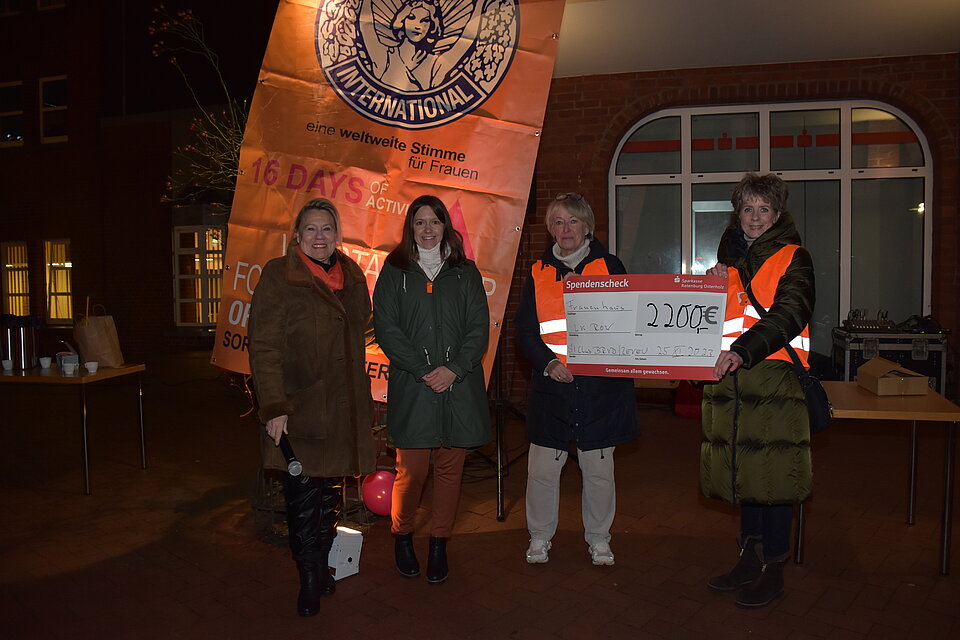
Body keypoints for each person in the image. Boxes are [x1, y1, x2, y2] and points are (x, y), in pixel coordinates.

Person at [248, 198, 377, 617]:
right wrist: (274, 405)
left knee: (329, 498)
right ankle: (307, 579)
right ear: (297, 235)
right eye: (311, 229)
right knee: (303, 499)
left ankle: (322, 566)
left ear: (337, 234)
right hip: (300, 410)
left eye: (326, 229)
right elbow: (264, 346)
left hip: (343, 410)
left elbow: (365, 330)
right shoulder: (279, 275)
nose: (319, 237)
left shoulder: (352, 275)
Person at [701, 173, 815, 609]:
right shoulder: (727, 260)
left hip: (775, 381)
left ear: (778, 213)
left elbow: (790, 313)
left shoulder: (794, 257)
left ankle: (774, 568)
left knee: (776, 477)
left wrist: (743, 351)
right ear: (738, 213)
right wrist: (710, 287)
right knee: (745, 472)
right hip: (733, 383)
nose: (754, 217)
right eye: (747, 208)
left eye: (764, 209)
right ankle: (749, 557)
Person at [515, 193, 639, 566]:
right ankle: (539, 537)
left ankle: (599, 539)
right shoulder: (538, 271)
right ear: (550, 229)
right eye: (558, 221)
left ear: (587, 226)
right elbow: (525, 331)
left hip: (598, 390)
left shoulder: (610, 266)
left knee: (598, 471)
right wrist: (548, 363)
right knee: (541, 471)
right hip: (553, 387)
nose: (565, 229)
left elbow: (630, 321)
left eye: (573, 221)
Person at [373, 194, 491, 584]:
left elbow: (478, 328)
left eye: (435, 222)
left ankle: (439, 542)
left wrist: (454, 370)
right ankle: (402, 535)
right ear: (411, 226)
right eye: (420, 222)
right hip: (415, 386)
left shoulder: (465, 272)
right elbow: (386, 327)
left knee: (451, 471)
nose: (427, 229)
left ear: (445, 226)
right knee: (412, 472)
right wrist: (424, 370)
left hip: (458, 387)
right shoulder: (395, 270)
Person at [359, 0, 485, 91]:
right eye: (411, 17)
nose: (417, 25)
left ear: (432, 26)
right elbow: (366, 28)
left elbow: (465, 43)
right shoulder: (386, 55)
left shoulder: (435, 64)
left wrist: (480, 5)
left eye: (425, 20)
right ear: (402, 21)